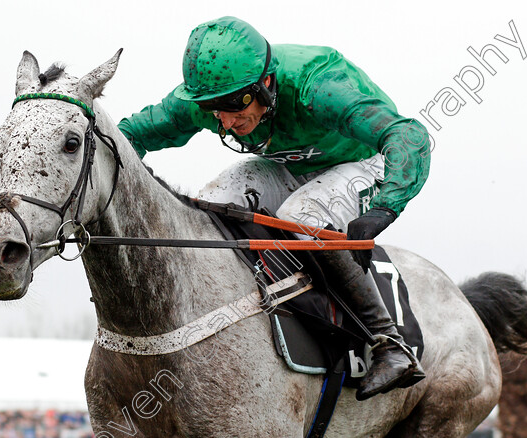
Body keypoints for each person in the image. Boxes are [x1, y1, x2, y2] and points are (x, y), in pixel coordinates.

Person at [118, 16, 431, 400]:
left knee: (301, 217)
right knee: (214, 202)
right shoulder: (213, 96)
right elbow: (126, 137)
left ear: (266, 82)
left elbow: (407, 135)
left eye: (236, 105)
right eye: (214, 110)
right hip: (290, 164)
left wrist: (385, 207)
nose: (228, 121)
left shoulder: (320, 85)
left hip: (360, 160)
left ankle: (388, 342)